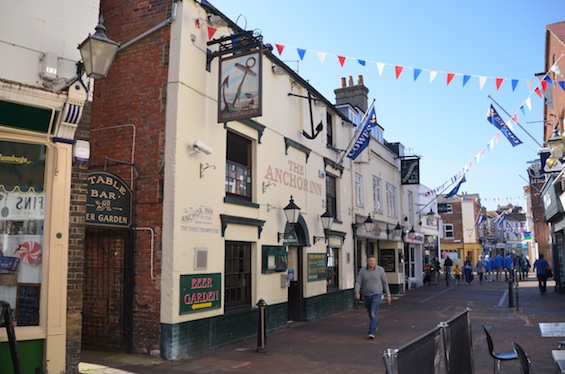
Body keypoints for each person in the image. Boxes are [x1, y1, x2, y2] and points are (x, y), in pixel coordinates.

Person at [354, 254, 392, 339]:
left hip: (377, 294)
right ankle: (375, 324)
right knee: (370, 312)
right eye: (370, 261)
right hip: (366, 295)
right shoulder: (362, 271)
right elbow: (358, 282)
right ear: (367, 262)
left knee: (373, 312)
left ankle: (372, 332)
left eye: (373, 261)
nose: (372, 263)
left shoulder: (380, 270)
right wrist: (357, 292)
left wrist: (388, 294)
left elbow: (385, 282)